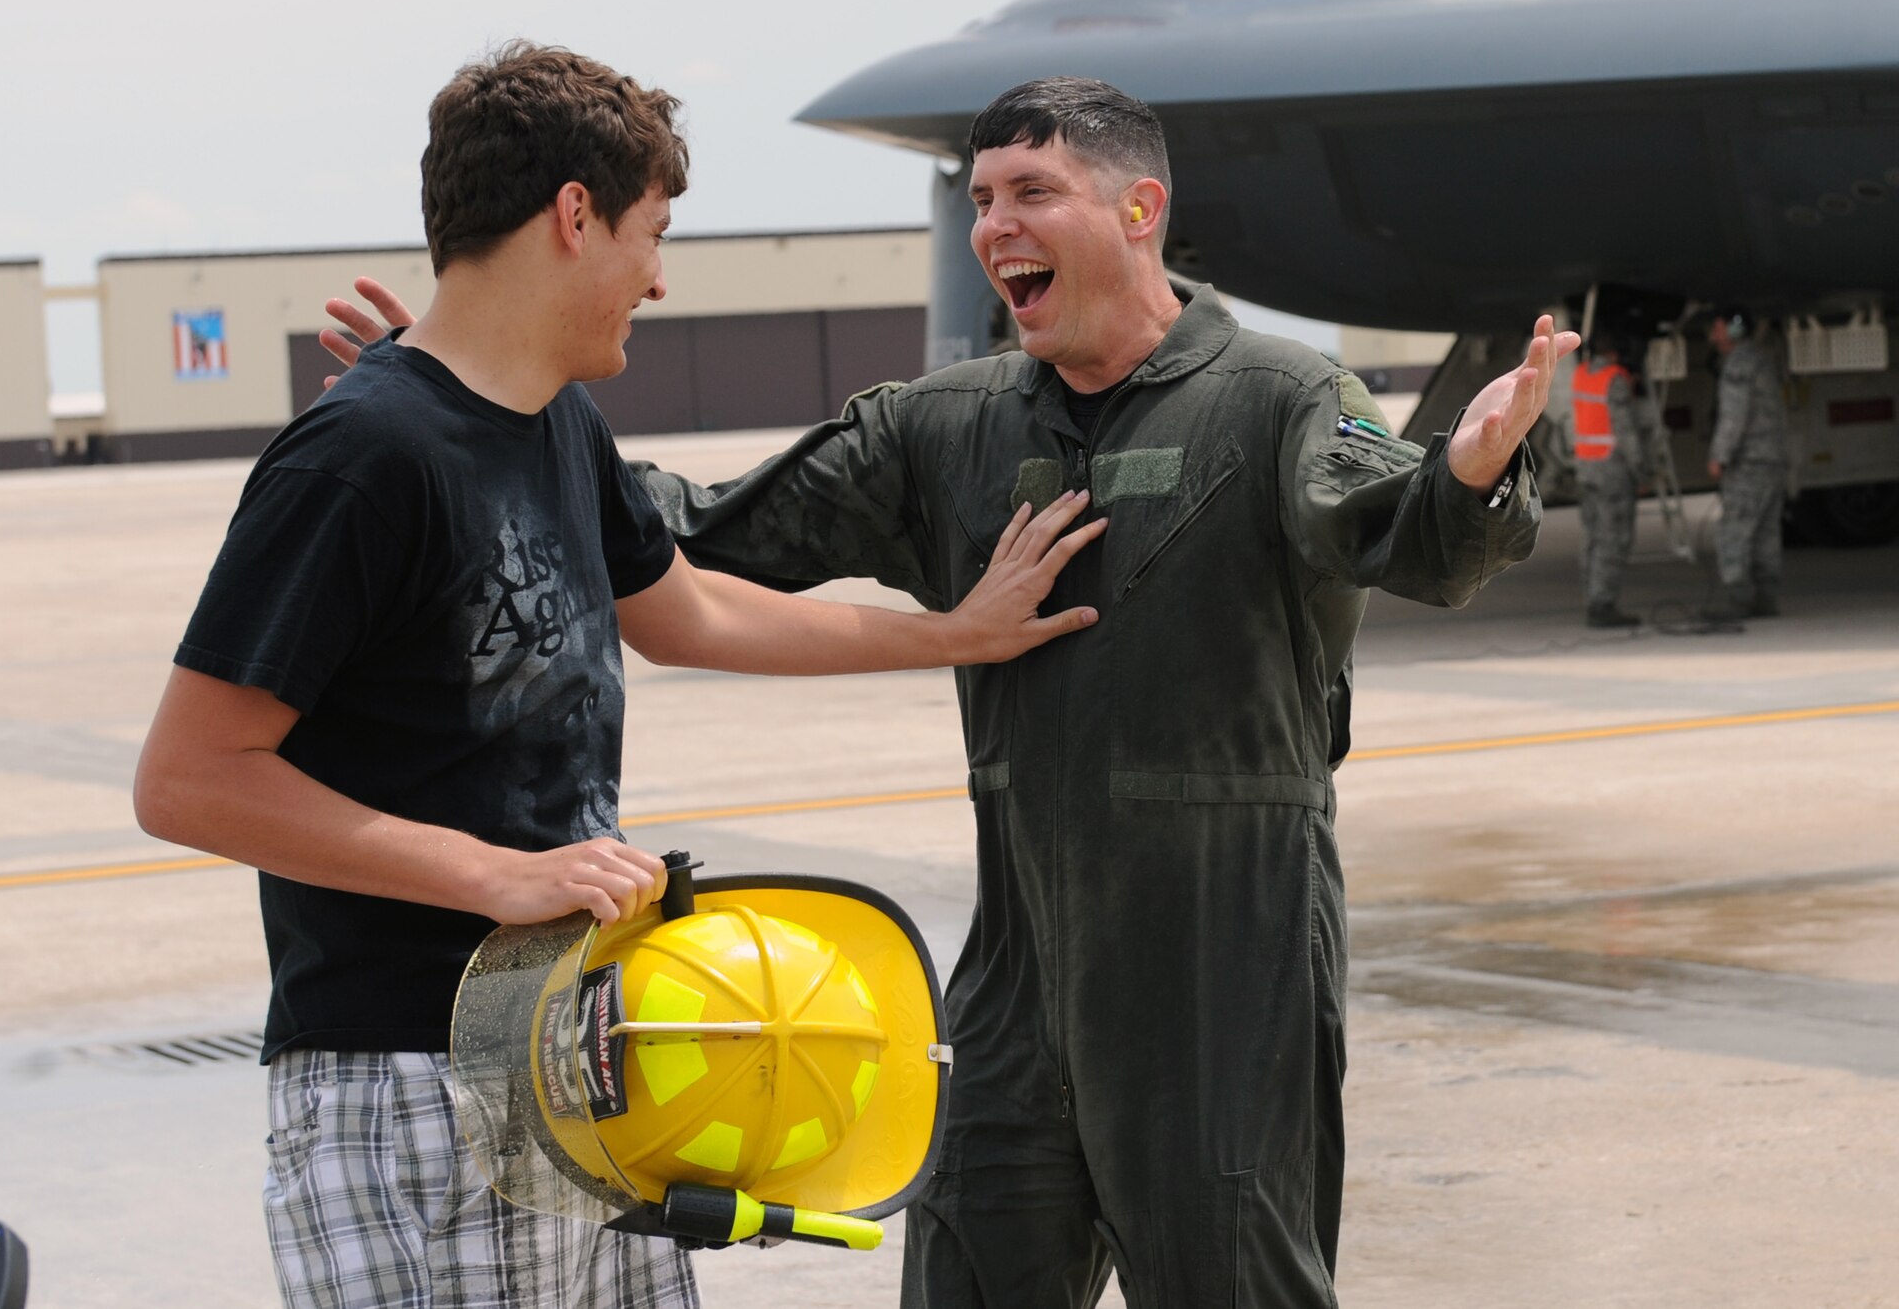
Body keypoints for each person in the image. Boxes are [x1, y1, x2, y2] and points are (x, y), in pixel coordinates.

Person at [324, 75, 1572, 1309]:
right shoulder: (951, 426)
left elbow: (1404, 532)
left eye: (1032, 192)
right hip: (1017, 976)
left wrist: (1469, 471)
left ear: (1138, 209)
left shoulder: (1278, 397)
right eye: (980, 200)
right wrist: (469, 399)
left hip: (1225, 967)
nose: (994, 229)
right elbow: (695, 531)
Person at [132, 45, 1106, 1309]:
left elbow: (686, 610)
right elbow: (188, 781)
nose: (656, 276)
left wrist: (956, 632)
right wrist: (500, 876)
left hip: (584, 1054)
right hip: (412, 1075)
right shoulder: (362, 458)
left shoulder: (552, 421)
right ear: (572, 215)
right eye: (651, 233)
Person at [1706, 308, 1788, 619]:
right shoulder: (1761, 358)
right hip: (1772, 459)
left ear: (1733, 330)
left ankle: (1738, 599)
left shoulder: (1738, 365)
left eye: (1718, 324)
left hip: (1749, 463)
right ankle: (1766, 598)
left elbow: (1734, 417)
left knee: (1735, 530)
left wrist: (1719, 456)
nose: (1713, 332)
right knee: (1767, 531)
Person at [1569, 337, 1645, 627]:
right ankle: (1603, 605)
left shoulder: (1581, 374)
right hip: (1612, 472)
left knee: (1592, 538)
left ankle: (1593, 598)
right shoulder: (1614, 380)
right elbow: (1625, 432)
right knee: (1613, 540)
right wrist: (1641, 471)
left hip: (1586, 469)